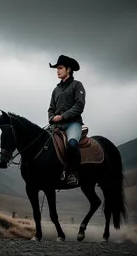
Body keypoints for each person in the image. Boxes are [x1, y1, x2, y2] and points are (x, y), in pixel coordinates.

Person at [48, 54, 86, 186]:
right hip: (56, 126)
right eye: (57, 69)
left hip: (73, 124)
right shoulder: (56, 90)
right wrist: (52, 118)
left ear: (68, 69)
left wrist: (63, 116)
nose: (57, 71)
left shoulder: (77, 85)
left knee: (72, 144)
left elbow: (79, 106)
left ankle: (73, 174)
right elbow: (50, 109)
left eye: (60, 68)